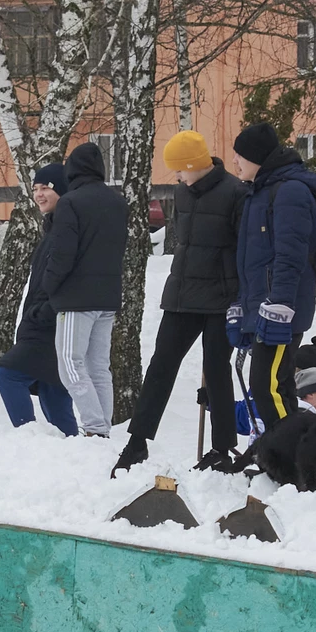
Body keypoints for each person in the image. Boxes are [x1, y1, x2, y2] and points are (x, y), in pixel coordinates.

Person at [113, 130, 246, 474]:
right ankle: (137, 442)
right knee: (161, 365)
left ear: (192, 164)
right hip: (182, 295)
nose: (176, 175)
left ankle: (222, 449)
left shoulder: (236, 192)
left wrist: (242, 298)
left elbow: (245, 250)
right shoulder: (182, 192)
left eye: (179, 168)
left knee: (217, 370)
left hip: (221, 298)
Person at [228, 122, 316, 432]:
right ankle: (292, 452)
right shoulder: (258, 193)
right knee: (276, 386)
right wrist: (243, 307)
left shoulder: (289, 192)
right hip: (265, 307)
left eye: (240, 155)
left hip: (281, 310)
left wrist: (279, 305)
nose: (235, 161)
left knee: (266, 388)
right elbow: (253, 261)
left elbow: (291, 255)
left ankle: (287, 452)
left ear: (256, 157)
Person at [44, 142, 127, 437]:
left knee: (70, 363)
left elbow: (63, 253)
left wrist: (49, 285)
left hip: (75, 298)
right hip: (108, 296)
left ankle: (94, 427)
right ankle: (102, 429)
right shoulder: (118, 202)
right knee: (98, 367)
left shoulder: (71, 203)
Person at [0, 164, 79, 437]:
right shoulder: (53, 228)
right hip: (46, 324)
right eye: (35, 189)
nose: (39, 194)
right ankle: (72, 453)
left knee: (8, 374)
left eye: (46, 188)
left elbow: (70, 281)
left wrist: (43, 313)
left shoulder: (66, 230)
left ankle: (28, 441)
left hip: (49, 327)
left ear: (63, 191)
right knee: (53, 395)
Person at [233, 367, 316, 490]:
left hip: (268, 456)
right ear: (310, 393)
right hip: (274, 458)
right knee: (292, 490)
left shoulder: (301, 418)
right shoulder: (305, 419)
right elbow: (311, 464)